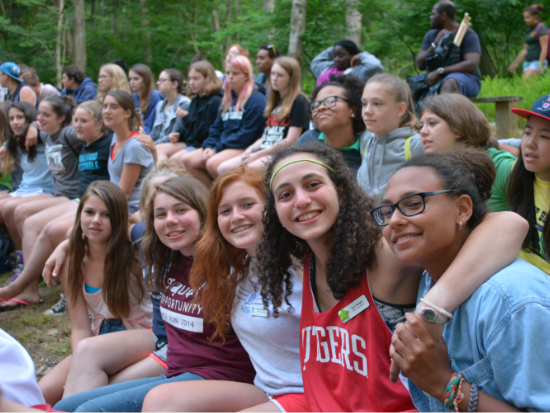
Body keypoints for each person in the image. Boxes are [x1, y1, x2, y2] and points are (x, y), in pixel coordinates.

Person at [258, 144, 527, 412]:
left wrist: (432, 311)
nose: (301, 200)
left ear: (340, 188)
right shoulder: (301, 262)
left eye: (313, 184)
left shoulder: (382, 253)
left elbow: (510, 225)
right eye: (285, 195)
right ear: (276, 214)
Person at [54, 176, 255, 413]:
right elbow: (117, 228)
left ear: (203, 212)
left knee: (88, 411)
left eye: (181, 210)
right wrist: (67, 244)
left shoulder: (232, 262)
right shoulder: (166, 256)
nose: (170, 220)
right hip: (176, 371)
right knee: (65, 407)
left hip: (220, 378)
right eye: (160, 214)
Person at [382, 150, 550, 412]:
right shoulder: (431, 277)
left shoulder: (512, 299)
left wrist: (442, 383)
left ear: (462, 209)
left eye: (414, 204)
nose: (394, 220)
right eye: (387, 210)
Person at [142, 167, 307, 413]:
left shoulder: (302, 266)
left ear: (271, 207)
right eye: (225, 211)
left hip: (306, 392)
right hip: (262, 389)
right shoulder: (240, 267)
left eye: (247, 204)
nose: (236, 216)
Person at [38, 181, 152, 405]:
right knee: (37, 395)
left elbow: (148, 225)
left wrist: (64, 244)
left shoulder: (134, 253)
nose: (96, 220)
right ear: (80, 214)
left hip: (143, 334)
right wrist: (78, 368)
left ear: (119, 219)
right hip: (97, 341)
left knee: (72, 401)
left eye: (107, 215)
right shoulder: (73, 261)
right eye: (89, 212)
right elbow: (80, 326)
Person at [0, 96, 82, 310]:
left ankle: (25, 283)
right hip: (61, 196)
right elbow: (21, 131)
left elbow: (91, 131)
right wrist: (32, 128)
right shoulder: (47, 135)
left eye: (46, 115)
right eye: (39, 114)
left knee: (24, 216)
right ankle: (27, 279)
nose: (40, 118)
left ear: (62, 118)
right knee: (21, 216)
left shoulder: (68, 134)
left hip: (71, 197)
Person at [419, 94, 516, 212]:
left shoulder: (502, 166)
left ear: (458, 127)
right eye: (421, 125)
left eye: (432, 123)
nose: (422, 132)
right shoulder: (431, 171)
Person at [181, 56, 267, 187]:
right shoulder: (227, 99)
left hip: (244, 146)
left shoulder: (257, 99)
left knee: (212, 163)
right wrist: (209, 146)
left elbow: (248, 134)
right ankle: (209, 198)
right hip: (224, 144)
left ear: (246, 75)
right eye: (228, 73)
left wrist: (217, 148)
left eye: (235, 73)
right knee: (187, 160)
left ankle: (227, 196)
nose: (230, 77)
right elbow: (216, 128)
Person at [218, 56, 309, 174]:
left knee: (247, 172)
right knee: (222, 169)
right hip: (264, 151)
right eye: (273, 74)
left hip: (282, 154)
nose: (274, 79)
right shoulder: (274, 101)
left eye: (280, 75)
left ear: (291, 79)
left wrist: (258, 155)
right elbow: (265, 137)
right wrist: (251, 149)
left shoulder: (299, 101)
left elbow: (291, 140)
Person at [357, 73, 423, 205]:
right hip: (366, 222)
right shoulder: (366, 139)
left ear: (400, 109)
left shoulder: (416, 144)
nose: (367, 111)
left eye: (377, 103)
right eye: (364, 104)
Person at [509, 94, 550, 275]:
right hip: (516, 275)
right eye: (527, 132)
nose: (530, 143)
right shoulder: (521, 179)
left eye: (544, 136)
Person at [296, 74, 364, 172]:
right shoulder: (307, 140)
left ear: (352, 110)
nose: (321, 107)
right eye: (316, 104)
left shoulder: (367, 151)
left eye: (330, 101)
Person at [158, 62, 223, 162]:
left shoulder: (215, 101)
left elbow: (206, 132)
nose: (191, 82)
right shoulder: (195, 100)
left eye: (196, 79)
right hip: (190, 142)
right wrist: (179, 134)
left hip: (202, 144)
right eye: (190, 78)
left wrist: (185, 117)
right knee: (157, 149)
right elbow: (190, 130)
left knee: (173, 160)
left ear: (207, 79)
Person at [413, 1, 481, 97]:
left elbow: (471, 64)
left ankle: (446, 112)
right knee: (402, 87)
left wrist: (440, 71)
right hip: (434, 76)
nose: (430, 17)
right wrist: (435, 43)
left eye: (433, 14)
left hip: (467, 78)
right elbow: (420, 64)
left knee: (449, 83)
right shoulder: (431, 35)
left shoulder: (468, 34)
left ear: (443, 16)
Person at [0, 102, 52, 223]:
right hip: (24, 189)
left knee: (10, 209)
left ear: (28, 117)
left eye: (20, 117)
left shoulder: (44, 136)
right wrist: (7, 145)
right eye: (11, 118)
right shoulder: (16, 140)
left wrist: (34, 125)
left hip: (44, 192)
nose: (15, 122)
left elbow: (54, 126)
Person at [104, 90, 155, 212]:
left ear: (127, 113)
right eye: (105, 106)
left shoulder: (134, 146)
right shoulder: (115, 137)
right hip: (118, 203)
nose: (107, 111)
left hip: (133, 209)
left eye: (114, 107)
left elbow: (123, 194)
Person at [311, 40, 383, 87]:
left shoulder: (358, 72)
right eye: (334, 56)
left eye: (341, 56)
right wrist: (337, 46)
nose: (336, 59)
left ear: (352, 56)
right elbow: (315, 63)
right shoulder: (327, 67)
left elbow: (375, 65)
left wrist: (360, 55)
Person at [148, 69, 191, 143]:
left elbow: (173, 136)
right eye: (158, 80)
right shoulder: (160, 105)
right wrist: (143, 139)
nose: (158, 83)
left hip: (172, 147)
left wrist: (151, 146)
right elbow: (154, 134)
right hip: (158, 145)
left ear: (174, 84)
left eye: (162, 80)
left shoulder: (184, 104)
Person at [508, 4, 549, 76]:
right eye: (524, 18)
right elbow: (525, 49)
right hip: (527, 62)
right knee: (529, 85)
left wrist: (540, 65)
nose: (525, 20)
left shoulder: (541, 27)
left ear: (535, 16)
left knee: (525, 81)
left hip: (537, 62)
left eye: (527, 17)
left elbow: (544, 48)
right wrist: (515, 63)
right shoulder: (529, 30)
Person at [129, 64, 163, 134]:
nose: (132, 82)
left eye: (136, 79)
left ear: (145, 80)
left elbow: (150, 125)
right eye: (130, 79)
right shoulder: (133, 97)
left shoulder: (154, 97)